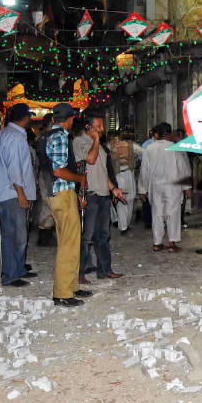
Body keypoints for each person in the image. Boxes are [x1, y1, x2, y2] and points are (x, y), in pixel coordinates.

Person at [42, 103, 91, 307]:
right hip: (62, 191)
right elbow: (58, 171)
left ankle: (72, 286)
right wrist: (79, 178)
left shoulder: (46, 136)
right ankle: (63, 292)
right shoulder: (61, 136)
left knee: (69, 240)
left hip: (54, 192)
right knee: (69, 245)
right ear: (70, 119)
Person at [73, 109, 126, 282]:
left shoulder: (101, 147)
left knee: (103, 235)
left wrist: (113, 189)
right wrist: (95, 140)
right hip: (90, 194)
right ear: (88, 126)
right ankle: (79, 273)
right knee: (86, 236)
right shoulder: (79, 142)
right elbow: (90, 160)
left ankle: (105, 270)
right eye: (99, 126)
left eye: (102, 125)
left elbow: (102, 172)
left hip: (103, 195)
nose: (102, 129)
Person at [0, 103, 37, 287]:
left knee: (11, 234)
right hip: (11, 193)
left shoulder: (1, 134)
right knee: (17, 235)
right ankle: (10, 274)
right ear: (26, 118)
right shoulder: (15, 137)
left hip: (2, 191)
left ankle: (16, 269)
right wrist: (21, 193)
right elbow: (14, 167)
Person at [138, 122, 191, 252]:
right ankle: (172, 244)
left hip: (155, 186)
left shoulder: (150, 148)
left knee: (157, 214)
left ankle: (157, 242)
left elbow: (144, 170)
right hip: (173, 187)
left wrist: (142, 189)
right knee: (173, 213)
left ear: (157, 134)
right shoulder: (175, 148)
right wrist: (187, 188)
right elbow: (182, 169)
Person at [109, 129, 145, 235]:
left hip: (127, 173)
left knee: (130, 198)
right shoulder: (111, 146)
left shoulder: (130, 146)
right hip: (118, 174)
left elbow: (144, 152)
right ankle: (123, 226)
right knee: (122, 199)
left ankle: (124, 224)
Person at [34, 114, 57, 247]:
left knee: (47, 204)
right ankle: (44, 236)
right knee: (48, 204)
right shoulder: (47, 139)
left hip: (44, 173)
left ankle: (45, 234)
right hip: (47, 174)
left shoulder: (42, 138)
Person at [140, 125, 158, 229]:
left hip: (160, 176)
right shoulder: (147, 145)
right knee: (147, 199)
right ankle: (148, 221)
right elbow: (142, 161)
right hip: (149, 174)